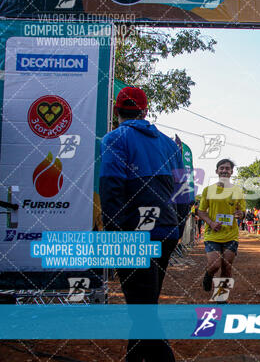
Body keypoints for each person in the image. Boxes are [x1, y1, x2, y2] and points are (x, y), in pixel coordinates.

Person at [100, 87, 188, 362]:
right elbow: (184, 195)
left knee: (142, 309)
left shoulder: (114, 138)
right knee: (144, 305)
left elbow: (111, 187)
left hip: (133, 236)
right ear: (145, 111)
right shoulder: (169, 144)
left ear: (116, 111)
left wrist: (115, 236)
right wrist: (176, 225)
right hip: (166, 232)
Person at [198, 159, 246, 293]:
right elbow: (201, 212)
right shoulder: (208, 190)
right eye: (222, 168)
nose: (224, 170)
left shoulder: (237, 190)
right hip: (212, 233)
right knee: (215, 264)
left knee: (227, 266)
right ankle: (209, 274)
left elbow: (243, 212)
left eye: (227, 168)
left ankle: (221, 297)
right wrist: (211, 223)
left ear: (231, 172)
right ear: (217, 171)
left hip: (231, 234)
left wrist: (240, 214)